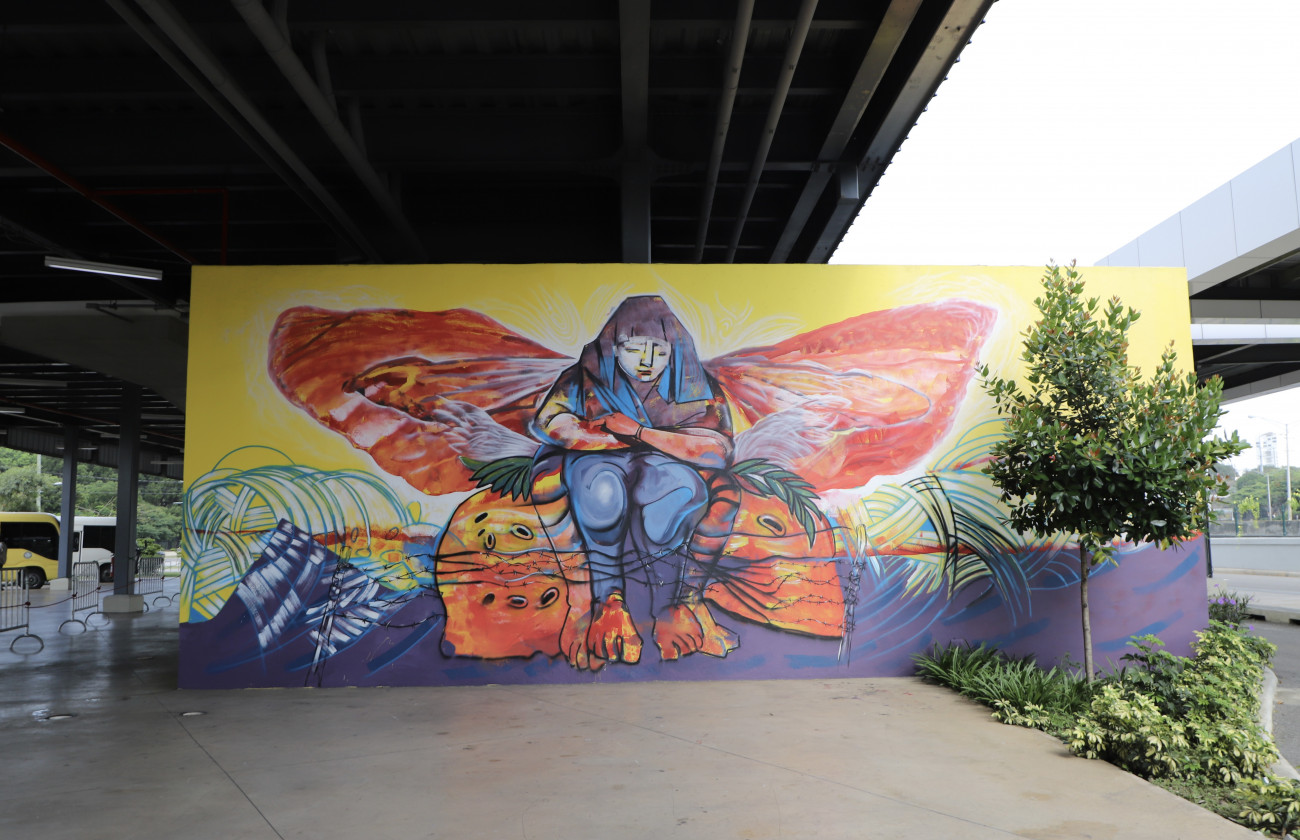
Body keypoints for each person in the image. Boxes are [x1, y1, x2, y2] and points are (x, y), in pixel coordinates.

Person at [532, 295, 738, 668]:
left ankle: (674, 606)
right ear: (614, 346)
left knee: (681, 492)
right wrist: (613, 441)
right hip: (596, 462)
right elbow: (550, 422)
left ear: (673, 351)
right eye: (634, 349)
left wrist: (639, 433)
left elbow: (716, 451)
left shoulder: (697, 385)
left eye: (658, 351)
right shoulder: (586, 375)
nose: (647, 361)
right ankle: (607, 603)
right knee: (602, 491)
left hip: (662, 465)